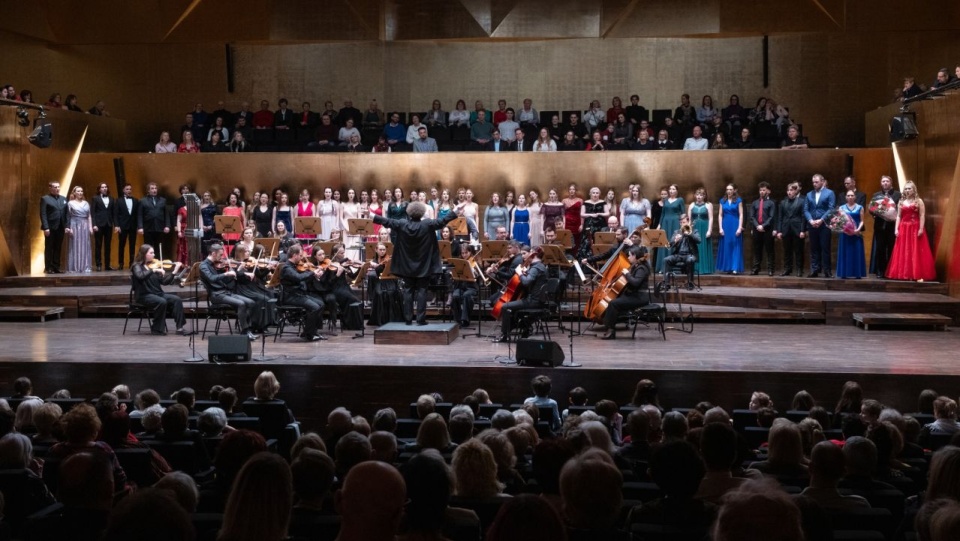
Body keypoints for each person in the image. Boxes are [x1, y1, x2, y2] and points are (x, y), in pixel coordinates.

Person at [373, 201, 463, 325]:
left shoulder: (402, 224)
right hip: (424, 265)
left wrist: (372, 216)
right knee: (422, 291)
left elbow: (387, 221)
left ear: (409, 212)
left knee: (408, 290)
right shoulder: (427, 224)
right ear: (422, 213)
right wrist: (456, 210)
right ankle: (421, 319)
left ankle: (408, 319)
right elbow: (442, 221)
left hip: (407, 265)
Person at [199, 243, 260, 340]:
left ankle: (249, 329)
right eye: (220, 255)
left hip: (226, 292)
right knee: (241, 304)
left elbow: (224, 280)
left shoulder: (216, 265)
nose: (221, 257)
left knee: (251, 302)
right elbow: (211, 278)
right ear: (213, 253)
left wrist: (235, 273)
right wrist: (226, 274)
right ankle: (245, 331)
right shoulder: (203, 266)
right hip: (216, 295)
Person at [494, 247, 548, 343]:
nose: (526, 256)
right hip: (538, 300)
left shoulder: (535, 268)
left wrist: (520, 273)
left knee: (505, 306)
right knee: (513, 306)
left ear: (534, 255)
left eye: (530, 253)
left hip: (532, 301)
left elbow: (526, 282)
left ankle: (505, 336)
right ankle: (525, 328)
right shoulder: (541, 266)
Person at [131, 244, 188, 335]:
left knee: (176, 299)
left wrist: (174, 272)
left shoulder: (154, 266)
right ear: (144, 254)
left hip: (157, 293)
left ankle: (180, 328)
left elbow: (164, 282)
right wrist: (153, 270)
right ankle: (156, 329)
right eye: (151, 253)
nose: (154, 255)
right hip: (144, 295)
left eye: (153, 252)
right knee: (161, 301)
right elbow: (140, 276)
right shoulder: (137, 266)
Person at [886, 180, 937, 281]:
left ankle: (916, 273)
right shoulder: (901, 201)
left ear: (914, 190)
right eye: (906, 189)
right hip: (904, 227)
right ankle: (904, 273)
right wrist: (896, 229)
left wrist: (921, 228)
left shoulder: (919, 201)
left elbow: (922, 215)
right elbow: (899, 216)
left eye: (909, 188)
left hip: (915, 227)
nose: (907, 190)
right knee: (904, 250)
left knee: (915, 250)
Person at [597, 245, 651, 340]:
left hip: (640, 297)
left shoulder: (642, 268)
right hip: (633, 295)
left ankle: (611, 331)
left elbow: (635, 283)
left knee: (614, 303)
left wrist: (627, 274)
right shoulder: (636, 266)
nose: (628, 257)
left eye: (630, 255)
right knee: (614, 301)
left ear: (635, 256)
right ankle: (610, 327)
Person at [279, 244, 328, 341]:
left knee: (321, 304)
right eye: (300, 256)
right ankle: (309, 334)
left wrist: (313, 274)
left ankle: (311, 331)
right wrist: (313, 273)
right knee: (315, 307)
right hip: (291, 296)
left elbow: (303, 277)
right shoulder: (286, 268)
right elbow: (298, 278)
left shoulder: (295, 266)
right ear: (294, 255)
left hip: (299, 294)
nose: (302, 258)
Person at [803, 174, 836, 278]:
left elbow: (831, 209)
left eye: (816, 182)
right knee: (814, 248)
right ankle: (814, 269)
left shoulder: (829, 193)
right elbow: (805, 209)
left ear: (822, 181)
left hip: (824, 224)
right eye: (813, 182)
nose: (814, 184)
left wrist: (821, 220)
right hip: (812, 224)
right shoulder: (809, 194)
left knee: (825, 248)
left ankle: (827, 270)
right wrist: (810, 220)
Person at [870, 175, 901, 278]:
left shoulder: (897, 195)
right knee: (880, 249)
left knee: (892, 248)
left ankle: (891, 271)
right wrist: (875, 213)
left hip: (892, 226)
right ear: (881, 183)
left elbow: (900, 211)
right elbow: (872, 209)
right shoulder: (876, 195)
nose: (885, 183)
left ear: (891, 183)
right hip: (879, 226)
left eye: (887, 181)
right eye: (883, 181)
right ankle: (880, 271)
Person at [663, 215, 701, 290]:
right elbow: (668, 246)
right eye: (681, 223)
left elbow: (699, 240)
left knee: (690, 260)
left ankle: (690, 283)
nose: (682, 224)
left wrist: (689, 234)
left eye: (684, 222)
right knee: (666, 260)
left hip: (689, 255)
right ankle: (666, 284)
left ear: (688, 222)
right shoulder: (677, 232)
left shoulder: (694, 231)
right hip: (678, 255)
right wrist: (675, 241)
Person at [777, 182, 806, 277]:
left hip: (797, 229)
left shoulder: (801, 201)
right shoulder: (783, 202)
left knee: (798, 250)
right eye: (788, 190)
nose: (789, 192)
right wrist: (779, 231)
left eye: (791, 190)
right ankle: (787, 269)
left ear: (795, 191)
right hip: (786, 229)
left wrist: (802, 230)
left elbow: (803, 217)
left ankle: (799, 269)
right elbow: (780, 217)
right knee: (787, 251)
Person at [835, 189, 866, 279]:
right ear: (845, 197)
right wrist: (845, 230)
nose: (850, 197)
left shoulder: (860, 207)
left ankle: (857, 273)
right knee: (845, 253)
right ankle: (844, 273)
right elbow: (839, 222)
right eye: (848, 195)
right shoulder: (841, 208)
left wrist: (857, 229)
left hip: (856, 233)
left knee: (856, 253)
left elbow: (862, 221)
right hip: (845, 234)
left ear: (855, 197)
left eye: (852, 195)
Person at [655, 184, 685, 273]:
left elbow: (683, 213)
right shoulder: (666, 200)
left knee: (674, 242)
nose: (671, 191)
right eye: (670, 189)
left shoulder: (680, 200)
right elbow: (663, 214)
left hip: (675, 222)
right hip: (665, 222)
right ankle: (662, 267)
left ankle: (673, 267)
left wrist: (683, 225)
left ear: (677, 191)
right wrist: (659, 225)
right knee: (665, 243)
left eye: (673, 189)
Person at [40, 181, 68, 274]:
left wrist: (67, 226)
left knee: (58, 247)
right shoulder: (45, 199)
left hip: (60, 226)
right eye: (55, 187)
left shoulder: (63, 199)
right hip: (50, 227)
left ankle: (56, 266)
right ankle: (48, 267)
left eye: (58, 187)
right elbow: (43, 214)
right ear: (50, 188)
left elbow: (66, 214)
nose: (57, 189)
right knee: (49, 247)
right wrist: (45, 227)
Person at [716, 183, 744, 274]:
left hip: (735, 224)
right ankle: (728, 267)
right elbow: (720, 215)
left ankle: (735, 267)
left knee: (735, 245)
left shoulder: (738, 200)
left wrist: (739, 227)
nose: (729, 191)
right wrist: (720, 228)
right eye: (727, 189)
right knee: (726, 246)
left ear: (734, 190)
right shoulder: (722, 201)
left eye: (731, 189)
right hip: (725, 225)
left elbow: (741, 215)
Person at [750, 182, 777, 276]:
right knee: (757, 249)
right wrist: (757, 226)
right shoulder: (755, 203)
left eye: (764, 190)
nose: (762, 192)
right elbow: (752, 216)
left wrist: (763, 226)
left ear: (768, 191)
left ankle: (770, 269)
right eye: (760, 190)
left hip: (767, 229)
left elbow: (771, 217)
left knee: (769, 250)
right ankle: (756, 268)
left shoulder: (771, 203)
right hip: (757, 228)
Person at [66, 186, 93, 273]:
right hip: (75, 225)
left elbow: (89, 216)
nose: (80, 193)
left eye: (81, 191)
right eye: (78, 191)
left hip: (85, 226)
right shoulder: (70, 203)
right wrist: (70, 228)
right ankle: (75, 266)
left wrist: (90, 227)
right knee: (75, 245)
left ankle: (85, 266)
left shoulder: (86, 203)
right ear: (74, 193)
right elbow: (68, 217)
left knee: (85, 245)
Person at [137, 182, 170, 255]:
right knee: (148, 248)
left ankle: (158, 263)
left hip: (160, 227)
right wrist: (140, 227)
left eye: (155, 188)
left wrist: (167, 225)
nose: (154, 190)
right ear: (148, 190)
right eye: (152, 188)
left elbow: (166, 214)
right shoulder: (142, 201)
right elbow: (140, 215)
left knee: (159, 247)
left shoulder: (163, 200)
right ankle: (149, 264)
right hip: (148, 227)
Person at [688, 188, 714, 275]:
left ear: (704, 196)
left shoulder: (708, 205)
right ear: (695, 195)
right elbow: (689, 220)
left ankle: (705, 268)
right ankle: (695, 268)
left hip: (704, 228)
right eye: (697, 195)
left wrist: (709, 230)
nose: (699, 196)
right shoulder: (691, 205)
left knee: (704, 246)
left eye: (701, 195)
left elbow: (711, 218)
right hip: (695, 228)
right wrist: (689, 230)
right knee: (695, 247)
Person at [91, 183, 116, 271]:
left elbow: (114, 213)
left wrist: (116, 225)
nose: (104, 188)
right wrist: (94, 224)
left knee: (108, 245)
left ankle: (107, 264)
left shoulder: (112, 199)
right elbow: (93, 213)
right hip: (98, 225)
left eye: (106, 187)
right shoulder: (95, 198)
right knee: (98, 245)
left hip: (108, 224)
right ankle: (98, 264)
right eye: (102, 187)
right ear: (99, 189)